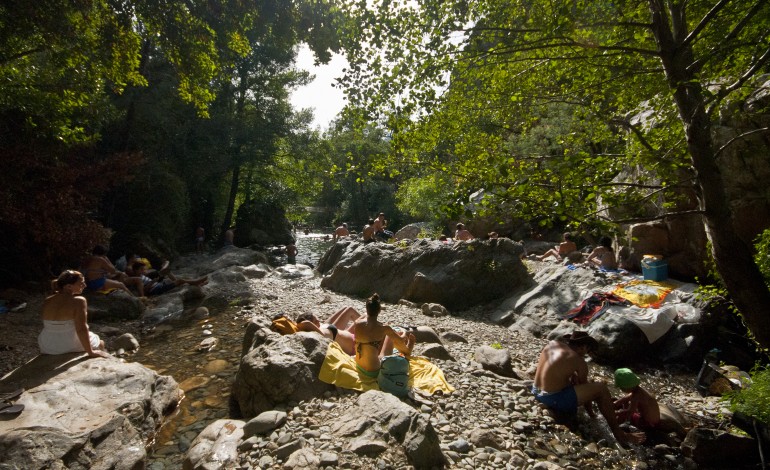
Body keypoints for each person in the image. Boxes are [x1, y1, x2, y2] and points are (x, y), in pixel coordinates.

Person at [532, 331, 645, 444]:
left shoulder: (552, 344)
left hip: (536, 391)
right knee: (601, 389)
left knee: (575, 378)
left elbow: (554, 371)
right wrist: (592, 415)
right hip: (552, 398)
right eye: (587, 350)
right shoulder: (578, 360)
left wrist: (572, 378)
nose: (586, 354)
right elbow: (584, 387)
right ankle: (619, 434)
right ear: (583, 347)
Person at [38, 270, 109, 358]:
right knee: (100, 342)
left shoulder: (48, 300)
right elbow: (82, 329)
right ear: (69, 286)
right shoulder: (79, 301)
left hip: (47, 344)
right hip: (67, 343)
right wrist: (90, 352)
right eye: (81, 283)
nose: (85, 285)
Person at [353, 293, 415, 378]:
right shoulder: (384, 328)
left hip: (359, 366)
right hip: (374, 371)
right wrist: (404, 332)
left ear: (367, 309)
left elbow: (363, 317)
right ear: (379, 311)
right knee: (395, 331)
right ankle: (407, 351)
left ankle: (407, 350)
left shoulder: (357, 323)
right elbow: (401, 339)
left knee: (388, 334)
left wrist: (367, 312)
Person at [296, 306, 361, 355]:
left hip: (349, 336)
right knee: (355, 312)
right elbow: (306, 323)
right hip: (355, 345)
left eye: (317, 318)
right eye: (316, 321)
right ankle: (369, 329)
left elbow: (308, 323)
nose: (318, 321)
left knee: (348, 309)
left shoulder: (321, 327)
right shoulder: (321, 334)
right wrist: (299, 324)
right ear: (312, 325)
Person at [132, 262, 208, 296]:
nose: (143, 271)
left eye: (143, 269)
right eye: (141, 269)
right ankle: (197, 282)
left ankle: (198, 283)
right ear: (136, 270)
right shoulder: (137, 279)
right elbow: (144, 291)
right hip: (156, 289)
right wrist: (152, 282)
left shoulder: (141, 276)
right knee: (180, 281)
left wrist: (154, 281)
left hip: (158, 285)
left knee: (177, 280)